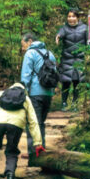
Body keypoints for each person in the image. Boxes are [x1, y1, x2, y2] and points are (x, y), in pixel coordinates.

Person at [0, 83, 43, 179]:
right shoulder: (25, 98)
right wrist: (38, 142)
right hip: (16, 124)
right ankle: (10, 176)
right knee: (11, 149)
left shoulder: (0, 94)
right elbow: (33, 122)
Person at [20, 31, 59, 159]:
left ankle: (33, 152)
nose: (23, 48)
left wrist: (23, 91)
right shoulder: (50, 54)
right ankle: (41, 149)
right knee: (40, 122)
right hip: (48, 93)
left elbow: (26, 75)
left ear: (30, 41)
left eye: (23, 44)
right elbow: (54, 73)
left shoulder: (30, 54)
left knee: (33, 123)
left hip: (35, 93)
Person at [55, 9, 90, 111]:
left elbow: (89, 41)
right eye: (69, 16)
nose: (71, 19)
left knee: (77, 82)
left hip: (80, 59)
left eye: (73, 16)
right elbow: (60, 33)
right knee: (66, 82)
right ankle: (64, 103)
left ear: (77, 18)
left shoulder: (84, 28)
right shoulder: (64, 28)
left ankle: (75, 103)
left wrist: (89, 53)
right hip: (67, 59)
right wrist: (58, 37)